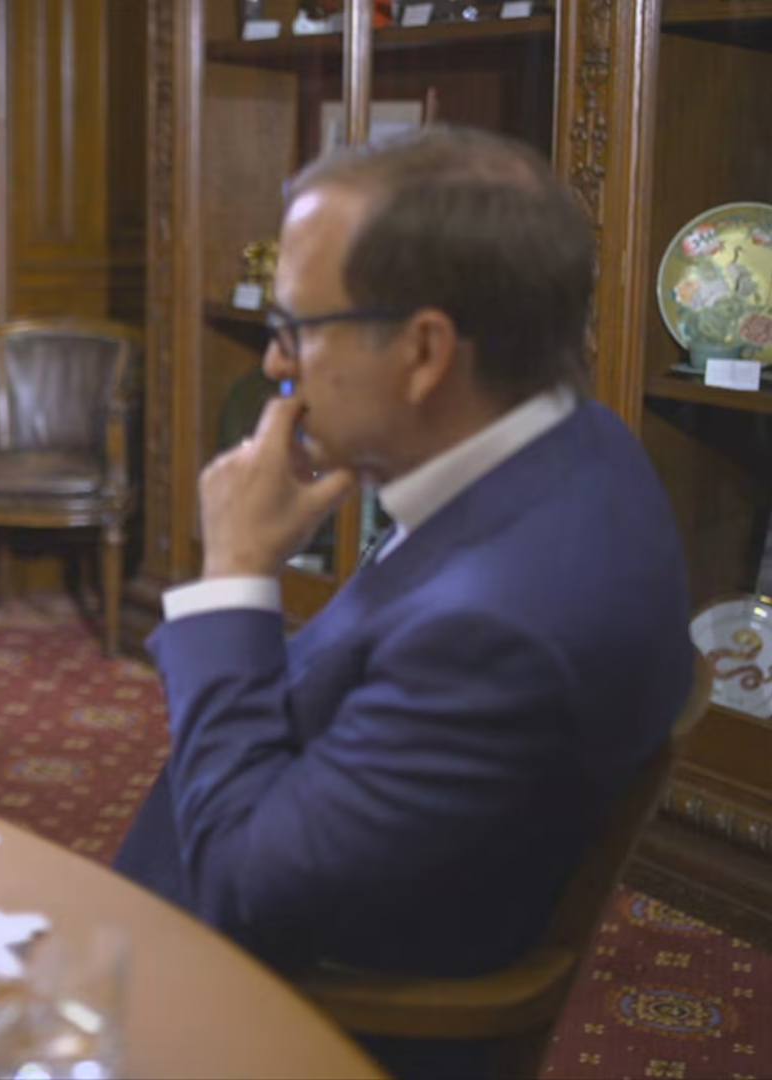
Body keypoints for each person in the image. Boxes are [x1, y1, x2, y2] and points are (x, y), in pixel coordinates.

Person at [109, 127, 691, 1073]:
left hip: (271, 1021)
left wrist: (236, 577)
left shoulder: (499, 624)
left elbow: (239, 890)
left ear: (424, 351)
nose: (273, 366)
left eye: (297, 327)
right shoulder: (581, 442)